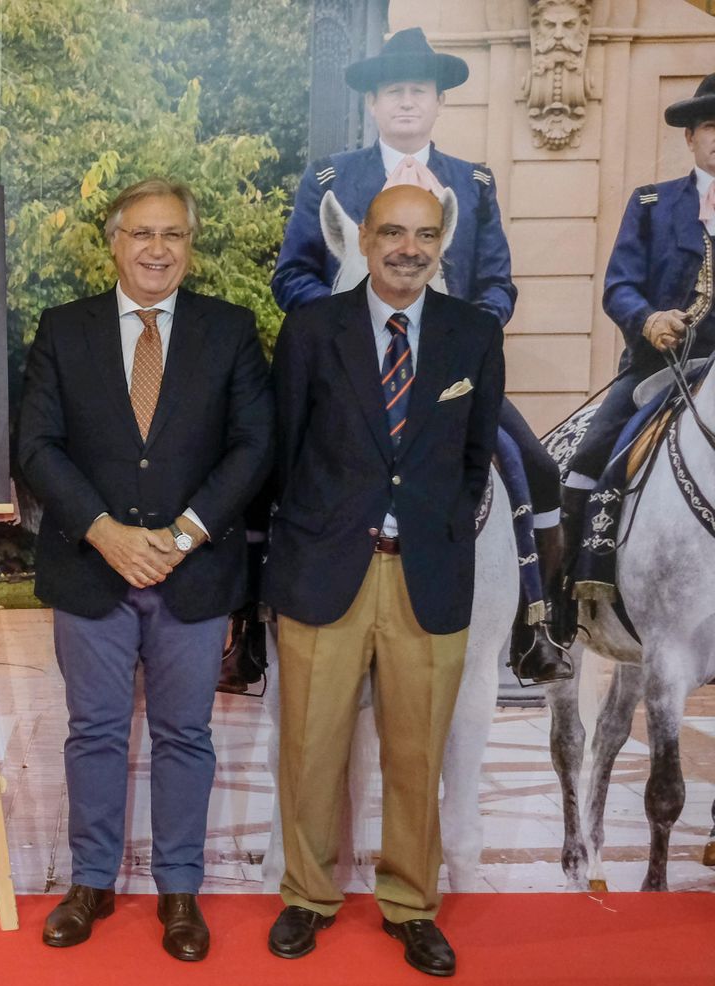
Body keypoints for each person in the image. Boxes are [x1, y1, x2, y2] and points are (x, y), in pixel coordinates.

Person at [17, 178, 273, 961]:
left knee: (184, 735)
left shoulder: (230, 332)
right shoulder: (64, 330)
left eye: (173, 235)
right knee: (93, 733)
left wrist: (184, 535)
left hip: (190, 577)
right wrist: (105, 533)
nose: (157, 249)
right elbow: (36, 446)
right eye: (141, 235)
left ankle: (180, 892)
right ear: (114, 241)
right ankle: (91, 883)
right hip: (92, 572)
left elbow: (254, 446)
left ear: (190, 247)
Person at [270, 26, 569, 683]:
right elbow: (291, 277)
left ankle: (536, 623)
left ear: (438, 103)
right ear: (373, 104)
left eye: (419, 92)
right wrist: (342, 330)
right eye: (394, 92)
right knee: (270, 466)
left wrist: (468, 339)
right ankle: (249, 620)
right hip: (348, 374)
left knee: (534, 467)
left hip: (449, 379)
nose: (406, 103)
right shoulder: (330, 179)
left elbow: (496, 283)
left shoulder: (475, 183)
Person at [264, 185, 503, 978]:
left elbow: (475, 463)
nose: (409, 247)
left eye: (425, 234)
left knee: (416, 755)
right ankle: (307, 894)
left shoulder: (474, 334)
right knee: (310, 749)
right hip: (325, 569)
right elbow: (286, 452)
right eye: (393, 232)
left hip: (427, 580)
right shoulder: (309, 330)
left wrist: (434, 524)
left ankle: (410, 903)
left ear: (442, 244)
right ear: (363, 240)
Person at [559, 72, 715, 616]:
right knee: (590, 457)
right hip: (659, 369)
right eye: (711, 126)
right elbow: (619, 284)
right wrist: (648, 321)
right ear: (690, 137)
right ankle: (566, 597)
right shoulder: (651, 203)